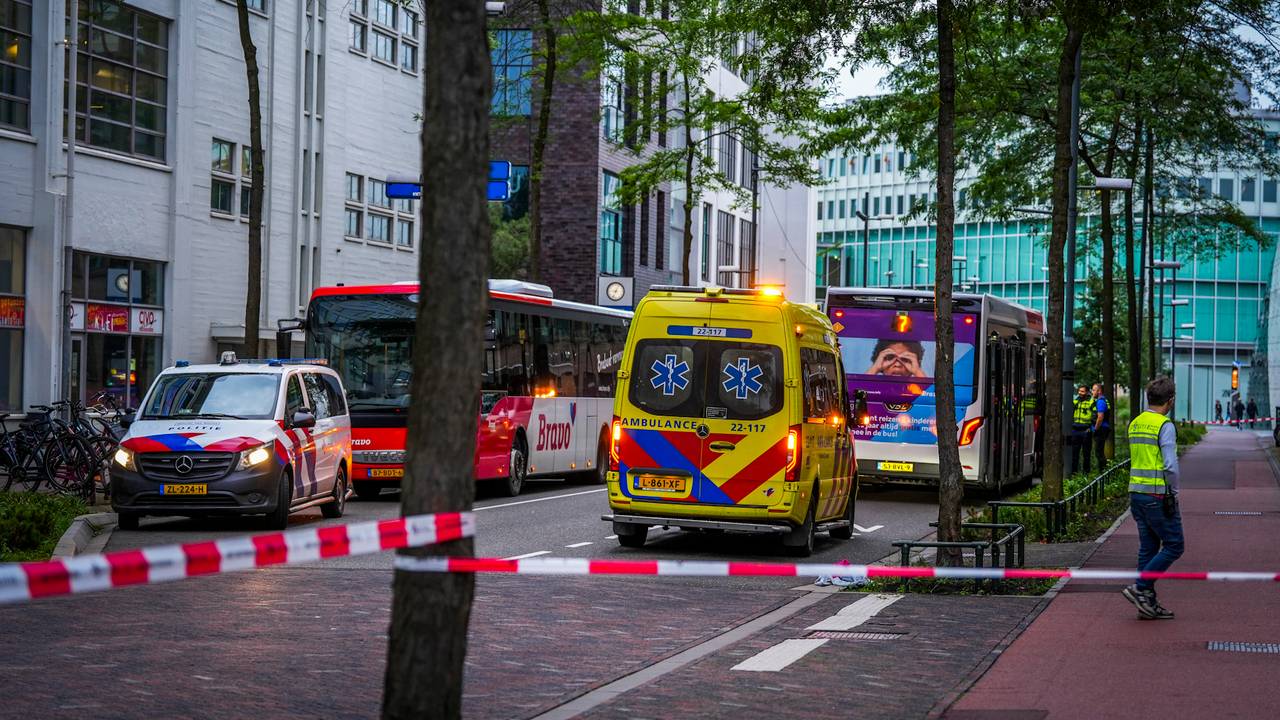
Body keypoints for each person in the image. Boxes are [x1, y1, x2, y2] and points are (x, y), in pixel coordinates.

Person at [1121, 376, 1183, 620]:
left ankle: (1146, 604)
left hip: (1136, 493)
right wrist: (1174, 491)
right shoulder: (1164, 425)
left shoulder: (1136, 422)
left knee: (1148, 547)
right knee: (1175, 545)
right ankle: (1141, 586)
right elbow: (1170, 465)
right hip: (1158, 495)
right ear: (1170, 401)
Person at [1070, 384, 1093, 474]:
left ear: (1087, 392)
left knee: (1086, 454)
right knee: (1074, 454)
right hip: (1075, 430)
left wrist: (1091, 428)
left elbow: (1095, 416)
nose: (1080, 393)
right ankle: (1074, 473)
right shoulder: (1076, 401)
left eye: (1082, 391)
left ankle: (1086, 474)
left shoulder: (1091, 402)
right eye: (1079, 391)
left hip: (1086, 431)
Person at [1091, 383, 1111, 471]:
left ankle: (1102, 473)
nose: (1092, 392)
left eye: (1094, 390)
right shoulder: (1104, 400)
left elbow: (1100, 417)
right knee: (1100, 452)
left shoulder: (1100, 401)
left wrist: (1095, 429)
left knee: (1099, 453)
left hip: (1101, 429)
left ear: (1099, 391)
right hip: (1104, 428)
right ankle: (1103, 472)